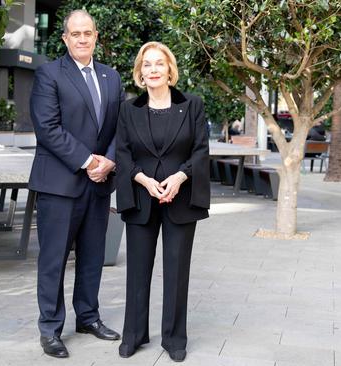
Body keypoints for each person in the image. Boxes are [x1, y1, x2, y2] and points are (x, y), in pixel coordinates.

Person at [28, 9, 123, 358]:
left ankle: (88, 317)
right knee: (54, 259)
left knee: (92, 256)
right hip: (60, 184)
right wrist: (88, 162)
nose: (82, 39)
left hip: (99, 183)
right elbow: (48, 128)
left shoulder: (111, 77)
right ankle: (50, 329)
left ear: (96, 36)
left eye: (88, 33)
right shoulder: (49, 74)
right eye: (75, 34)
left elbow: (118, 127)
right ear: (65, 38)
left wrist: (109, 161)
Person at [115, 42, 210, 362]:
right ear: (139, 72)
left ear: (170, 69)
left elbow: (200, 150)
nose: (153, 70)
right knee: (137, 271)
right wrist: (143, 180)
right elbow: (123, 153)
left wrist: (180, 177)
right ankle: (134, 335)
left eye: (159, 64)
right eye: (146, 64)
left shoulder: (192, 105)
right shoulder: (129, 109)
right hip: (142, 197)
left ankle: (174, 338)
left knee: (176, 271)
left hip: (181, 199)